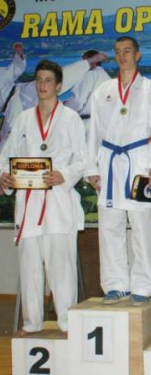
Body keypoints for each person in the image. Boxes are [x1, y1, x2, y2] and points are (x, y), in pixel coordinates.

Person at [0, 60, 86, 337]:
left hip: (58, 202)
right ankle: (32, 322)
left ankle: (66, 323)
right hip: (28, 202)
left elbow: (83, 160)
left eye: (48, 80)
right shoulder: (24, 119)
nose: (42, 85)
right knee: (29, 265)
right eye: (38, 80)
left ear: (59, 85)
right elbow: (6, 156)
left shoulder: (71, 118)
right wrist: (5, 176)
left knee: (61, 266)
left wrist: (64, 174)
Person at [85, 36, 151, 306]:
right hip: (109, 162)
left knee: (142, 226)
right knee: (110, 227)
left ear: (138, 55)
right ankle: (115, 284)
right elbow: (93, 131)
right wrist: (91, 166)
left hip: (140, 160)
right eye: (118, 51)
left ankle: (143, 285)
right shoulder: (103, 91)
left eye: (127, 51)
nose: (122, 56)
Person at [0, 52, 108, 153]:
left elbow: (13, 70)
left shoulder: (90, 76)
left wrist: (19, 58)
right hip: (12, 106)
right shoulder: (105, 77)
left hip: (18, 94)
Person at [64, 49, 111, 139]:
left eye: (84, 61)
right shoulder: (108, 78)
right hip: (103, 124)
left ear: (93, 61)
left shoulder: (89, 75)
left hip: (86, 124)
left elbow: (78, 102)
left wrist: (65, 106)